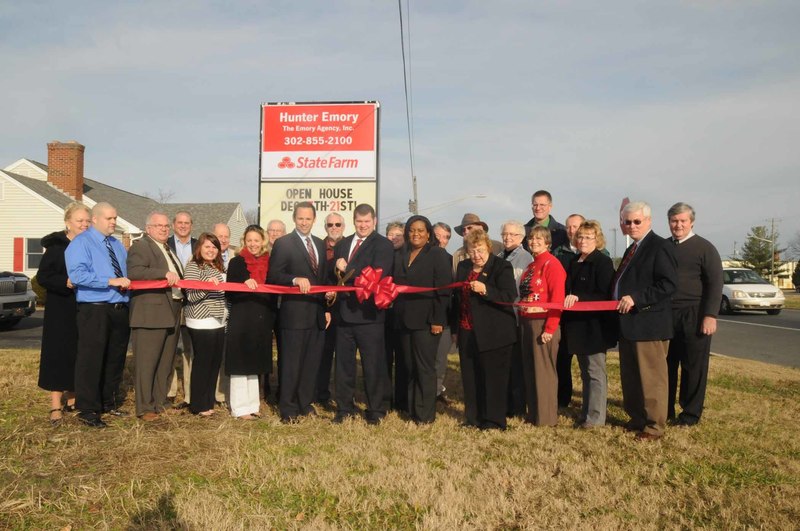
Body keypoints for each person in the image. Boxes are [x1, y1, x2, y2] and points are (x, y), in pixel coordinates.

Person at [65, 202, 132, 428]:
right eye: (109, 218)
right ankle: (88, 409)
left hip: (119, 309)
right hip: (94, 309)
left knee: (115, 359)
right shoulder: (81, 243)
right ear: (95, 219)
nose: (113, 222)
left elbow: (125, 274)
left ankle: (108, 402)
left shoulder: (117, 245)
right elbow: (78, 276)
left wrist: (124, 287)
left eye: (115, 218)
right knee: (91, 360)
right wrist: (109, 281)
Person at [615, 201, 678, 441]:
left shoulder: (659, 247)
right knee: (631, 376)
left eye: (636, 221)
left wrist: (637, 298)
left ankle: (654, 426)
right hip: (629, 324)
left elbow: (668, 284)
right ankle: (638, 418)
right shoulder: (633, 249)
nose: (631, 226)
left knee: (652, 379)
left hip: (649, 323)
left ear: (649, 221)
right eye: (627, 222)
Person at [330, 204, 394, 424]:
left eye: (367, 221)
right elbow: (335, 278)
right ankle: (344, 409)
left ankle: (376, 410)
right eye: (359, 221)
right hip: (344, 315)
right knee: (343, 366)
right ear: (354, 220)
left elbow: (377, 275)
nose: (363, 225)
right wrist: (335, 270)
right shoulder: (344, 243)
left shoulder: (383, 245)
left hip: (369, 316)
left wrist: (346, 266)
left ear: (374, 221)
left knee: (373, 365)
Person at [267, 202, 330, 423]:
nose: (304, 222)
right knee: (291, 364)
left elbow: (322, 279)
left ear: (314, 220)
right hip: (293, 315)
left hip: (316, 313)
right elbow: (273, 276)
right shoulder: (284, 243)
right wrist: (294, 279)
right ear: (295, 219)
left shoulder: (320, 245)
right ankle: (288, 407)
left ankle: (305, 402)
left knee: (310, 363)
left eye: (308, 219)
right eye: (300, 218)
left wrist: (328, 299)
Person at [452, 228, 518, 430]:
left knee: (493, 379)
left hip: (495, 334)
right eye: (472, 251)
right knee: (471, 378)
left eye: (480, 250)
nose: (476, 255)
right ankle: (473, 418)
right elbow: (457, 299)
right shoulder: (463, 267)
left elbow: (509, 296)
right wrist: (455, 329)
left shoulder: (501, 266)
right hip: (467, 330)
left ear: (488, 247)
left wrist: (486, 290)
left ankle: (494, 421)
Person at [666, 202, 723, 426]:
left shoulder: (705, 248)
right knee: (666, 364)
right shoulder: (664, 247)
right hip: (667, 314)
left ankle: (690, 413)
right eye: (674, 221)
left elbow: (715, 283)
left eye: (682, 221)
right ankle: (665, 408)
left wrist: (710, 315)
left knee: (693, 366)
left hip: (695, 314)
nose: (678, 225)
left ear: (691, 222)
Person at [392, 215, 452, 424]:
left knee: (425, 368)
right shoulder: (401, 253)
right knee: (409, 367)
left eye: (420, 230)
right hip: (403, 320)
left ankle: (425, 415)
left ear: (428, 234)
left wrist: (437, 320)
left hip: (427, 322)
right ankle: (411, 410)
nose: (415, 234)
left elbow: (443, 291)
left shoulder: (438, 255)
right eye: (411, 230)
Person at [37, 202, 91, 426]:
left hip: (83, 308)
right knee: (58, 355)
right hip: (60, 309)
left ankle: (73, 399)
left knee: (79, 353)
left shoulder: (90, 246)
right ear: (68, 222)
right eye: (80, 221)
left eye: (87, 221)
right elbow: (43, 277)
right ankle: (55, 405)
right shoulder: (57, 247)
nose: (84, 225)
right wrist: (64, 282)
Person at [127, 211, 184, 422]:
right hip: (150, 313)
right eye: (159, 225)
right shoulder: (141, 246)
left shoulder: (167, 247)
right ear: (148, 228)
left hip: (172, 309)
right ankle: (145, 407)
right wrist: (162, 274)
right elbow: (135, 271)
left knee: (166, 361)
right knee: (147, 362)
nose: (164, 229)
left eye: (166, 226)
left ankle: (161, 402)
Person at [562, 220, 617, 428]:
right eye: (581, 237)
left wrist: (579, 298)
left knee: (595, 373)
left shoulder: (602, 262)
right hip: (577, 326)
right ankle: (586, 414)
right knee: (585, 373)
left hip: (595, 327)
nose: (583, 240)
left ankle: (595, 418)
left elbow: (604, 293)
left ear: (597, 239)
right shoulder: (575, 261)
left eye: (588, 237)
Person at [226, 225, 275, 420]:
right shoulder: (237, 262)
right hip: (242, 317)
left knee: (254, 363)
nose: (253, 244)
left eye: (256, 240)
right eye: (249, 240)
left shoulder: (269, 262)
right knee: (240, 362)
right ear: (244, 242)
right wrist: (243, 284)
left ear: (262, 241)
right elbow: (229, 292)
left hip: (261, 318)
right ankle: (239, 408)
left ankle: (253, 405)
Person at [518, 225, 566, 427]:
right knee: (530, 370)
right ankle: (534, 414)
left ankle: (546, 418)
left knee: (544, 372)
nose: (534, 242)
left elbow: (557, 300)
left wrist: (550, 328)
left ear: (548, 242)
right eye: (531, 238)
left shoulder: (552, 264)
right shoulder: (531, 265)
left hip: (543, 323)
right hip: (526, 322)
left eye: (539, 239)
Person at [184, 232, 228, 417]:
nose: (211, 250)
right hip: (201, 321)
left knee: (214, 363)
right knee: (203, 362)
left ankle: (208, 401)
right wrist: (206, 285)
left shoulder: (219, 267)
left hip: (218, 321)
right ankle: (198, 404)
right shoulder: (194, 266)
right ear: (199, 248)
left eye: (214, 247)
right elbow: (191, 295)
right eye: (207, 246)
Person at [498, 220, 533, 417]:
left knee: (516, 365)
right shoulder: (500, 255)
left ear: (521, 238)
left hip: (515, 314)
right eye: (505, 234)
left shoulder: (524, 257)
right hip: (502, 316)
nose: (508, 237)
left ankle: (518, 406)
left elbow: (520, 287)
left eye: (512, 234)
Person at [167, 210, 197, 408]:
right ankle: (169, 392)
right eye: (180, 222)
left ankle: (189, 394)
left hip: (192, 303)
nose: (183, 226)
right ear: (173, 224)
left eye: (187, 223)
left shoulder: (198, 245)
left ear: (191, 225)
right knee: (169, 347)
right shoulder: (165, 245)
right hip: (169, 302)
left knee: (189, 350)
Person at [315, 213, 345, 407]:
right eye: (330, 224)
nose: (334, 227)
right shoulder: (317, 246)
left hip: (347, 308)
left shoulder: (350, 245)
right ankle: (321, 394)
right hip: (324, 307)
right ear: (325, 227)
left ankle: (343, 396)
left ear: (343, 226)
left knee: (344, 356)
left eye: (337, 224)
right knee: (324, 354)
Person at [433, 221, 455, 403]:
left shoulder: (451, 261)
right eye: (438, 235)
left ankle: (437, 390)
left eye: (446, 237)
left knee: (440, 358)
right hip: (423, 316)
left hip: (445, 317)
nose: (441, 240)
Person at [383, 220, 405, 409]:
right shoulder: (381, 253)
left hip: (401, 314)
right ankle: (384, 397)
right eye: (391, 234)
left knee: (402, 358)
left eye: (399, 234)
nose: (394, 237)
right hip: (382, 313)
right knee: (383, 358)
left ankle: (401, 399)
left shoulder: (407, 256)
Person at [212, 222, 233, 405]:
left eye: (226, 236)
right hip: (211, 312)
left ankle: (223, 393)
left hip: (231, 310)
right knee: (211, 353)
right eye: (220, 236)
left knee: (227, 352)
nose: (223, 240)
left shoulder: (236, 256)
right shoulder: (206, 256)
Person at [265, 218, 287, 399]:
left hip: (284, 308)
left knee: (283, 350)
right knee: (264, 348)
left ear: (284, 234)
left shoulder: (288, 252)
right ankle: (263, 387)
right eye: (271, 230)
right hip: (264, 308)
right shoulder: (261, 253)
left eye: (278, 231)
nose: (274, 234)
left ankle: (282, 388)